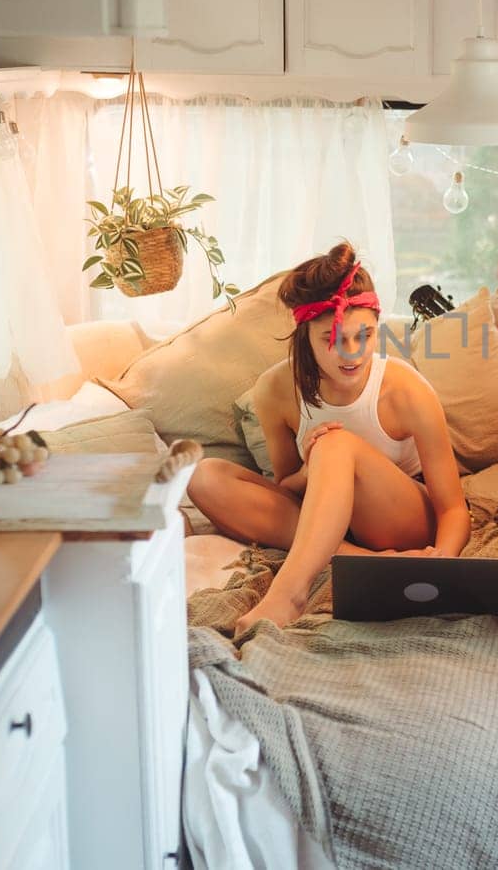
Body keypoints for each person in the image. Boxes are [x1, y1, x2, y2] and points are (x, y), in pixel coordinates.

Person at [187, 243, 470, 639]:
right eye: (331, 339)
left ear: (377, 325)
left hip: (398, 518)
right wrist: (308, 470)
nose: (351, 353)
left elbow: (454, 508)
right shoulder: (274, 390)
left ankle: (289, 593)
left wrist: (442, 562)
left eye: (365, 336)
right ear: (306, 334)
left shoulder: (406, 390)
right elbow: (287, 488)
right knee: (203, 475)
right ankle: (363, 562)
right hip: (325, 523)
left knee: (335, 443)